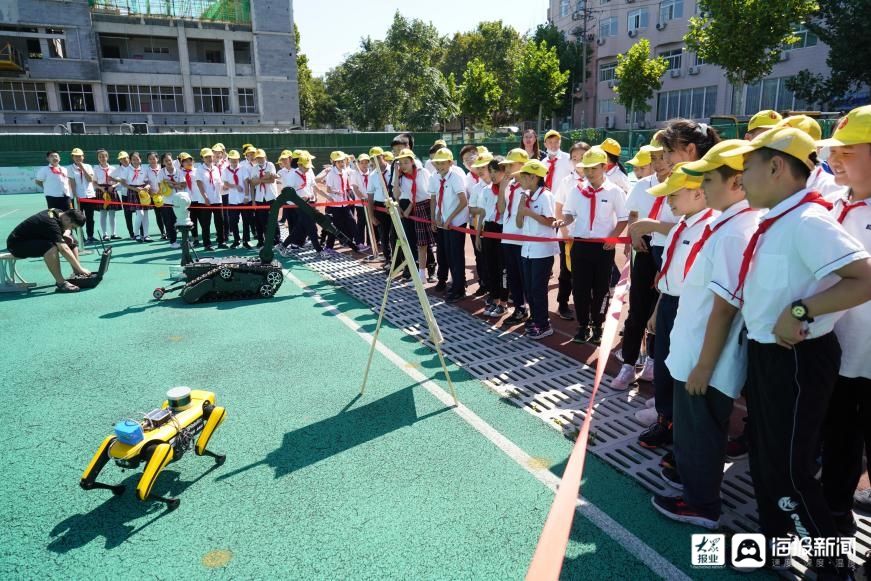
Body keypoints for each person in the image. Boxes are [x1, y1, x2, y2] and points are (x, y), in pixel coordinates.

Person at [720, 127, 871, 577]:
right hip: (770, 355)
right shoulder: (780, 218)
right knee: (767, 461)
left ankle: (831, 568)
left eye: (747, 167)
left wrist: (804, 309)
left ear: (776, 166)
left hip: (797, 359)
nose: (740, 178)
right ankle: (771, 546)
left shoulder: (808, 221)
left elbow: (863, 278)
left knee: (791, 470)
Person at [649, 140, 758, 529]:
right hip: (694, 348)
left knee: (703, 430)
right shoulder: (726, 222)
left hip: (704, 357)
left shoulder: (734, 232)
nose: (703, 187)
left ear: (738, 182)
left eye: (709, 179)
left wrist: (704, 366)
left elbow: (725, 308)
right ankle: (693, 484)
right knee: (695, 429)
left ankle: (701, 504)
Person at [816, 105, 871, 528]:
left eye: (847, 151)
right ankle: (836, 523)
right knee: (837, 444)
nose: (834, 158)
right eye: (833, 149)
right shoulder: (828, 205)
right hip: (835, 351)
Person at [638, 163, 717, 450]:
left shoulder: (710, 229)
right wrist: (659, 309)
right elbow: (669, 277)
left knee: (685, 370)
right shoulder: (680, 227)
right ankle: (665, 420)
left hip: (693, 309)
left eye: (673, 195)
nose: (668, 201)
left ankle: (682, 430)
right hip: (670, 304)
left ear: (697, 193)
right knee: (665, 366)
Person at [613, 141, 670, 393]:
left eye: (662, 157)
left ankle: (653, 361)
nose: (658, 164)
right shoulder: (643, 185)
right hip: (646, 247)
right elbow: (633, 215)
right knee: (637, 306)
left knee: (661, 310)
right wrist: (634, 236)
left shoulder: (682, 188)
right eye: (654, 158)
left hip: (671, 250)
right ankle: (628, 363)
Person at [556, 146, 627, 345]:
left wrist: (612, 238)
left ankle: (598, 325)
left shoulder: (614, 191)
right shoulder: (576, 190)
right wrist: (564, 222)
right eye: (586, 168)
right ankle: (582, 326)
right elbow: (569, 213)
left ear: (604, 167)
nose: (588, 172)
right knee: (580, 288)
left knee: (601, 289)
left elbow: (623, 219)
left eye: (593, 168)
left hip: (603, 248)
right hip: (580, 245)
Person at [515, 159, 559, 339]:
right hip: (527, 249)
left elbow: (550, 221)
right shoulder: (525, 195)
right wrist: (521, 206)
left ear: (533, 177)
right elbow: (519, 223)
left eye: (523, 177)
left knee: (537, 288)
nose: (520, 180)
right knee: (529, 288)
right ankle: (535, 319)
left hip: (542, 250)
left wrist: (529, 212)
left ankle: (544, 324)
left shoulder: (545, 196)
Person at [5, 208, 90, 292]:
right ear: (67, 219)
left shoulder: (59, 213)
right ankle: (61, 283)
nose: (70, 229)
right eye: (72, 226)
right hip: (17, 245)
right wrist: (80, 268)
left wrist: (66, 233)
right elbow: (64, 249)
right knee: (51, 247)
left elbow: (65, 234)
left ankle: (77, 273)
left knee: (71, 240)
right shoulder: (50, 222)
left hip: (32, 240)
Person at [553, 142, 590, 321]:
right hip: (567, 235)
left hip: (588, 236)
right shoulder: (567, 181)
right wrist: (565, 230)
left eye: (582, 157)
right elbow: (558, 207)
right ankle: (562, 304)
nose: (578, 161)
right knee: (566, 271)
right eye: (575, 158)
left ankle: (585, 305)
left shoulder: (597, 180)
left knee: (585, 273)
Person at [428, 147, 468, 299]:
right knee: (445, 253)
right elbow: (434, 198)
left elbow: (463, 201)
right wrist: (434, 217)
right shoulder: (435, 177)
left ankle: (459, 288)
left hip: (456, 222)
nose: (439, 166)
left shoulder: (455, 177)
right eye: (437, 163)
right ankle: (452, 283)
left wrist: (450, 218)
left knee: (456, 255)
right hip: (442, 221)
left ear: (450, 162)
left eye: (443, 162)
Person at [497, 149, 530, 325]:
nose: (507, 168)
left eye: (511, 164)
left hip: (523, 238)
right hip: (507, 236)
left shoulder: (529, 187)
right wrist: (502, 188)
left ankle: (529, 309)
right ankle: (519, 308)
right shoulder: (509, 185)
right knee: (513, 276)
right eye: (506, 165)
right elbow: (501, 210)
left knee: (525, 277)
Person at [475, 156, 510, 317]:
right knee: (491, 267)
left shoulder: (510, 189)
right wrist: (477, 235)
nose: (493, 175)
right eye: (491, 171)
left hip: (503, 229)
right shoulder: (486, 190)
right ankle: (494, 299)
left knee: (503, 268)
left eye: (497, 171)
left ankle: (504, 302)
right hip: (488, 229)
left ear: (505, 172)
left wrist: (503, 189)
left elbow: (503, 211)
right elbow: (482, 214)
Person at [394, 148, 434, 283]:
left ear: (412, 161)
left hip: (430, 206)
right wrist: (395, 174)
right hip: (417, 208)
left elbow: (430, 193)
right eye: (400, 163)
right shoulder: (401, 178)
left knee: (437, 243)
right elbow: (397, 195)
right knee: (421, 243)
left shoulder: (423, 172)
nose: (403, 165)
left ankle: (439, 274)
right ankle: (421, 276)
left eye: (406, 162)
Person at [283, 152, 324, 254]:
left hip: (308, 203)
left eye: (309, 167)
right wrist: (300, 198)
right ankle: (319, 250)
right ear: (299, 165)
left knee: (300, 228)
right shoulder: (292, 175)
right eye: (306, 167)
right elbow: (287, 192)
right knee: (311, 227)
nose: (308, 169)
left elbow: (313, 186)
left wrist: (327, 196)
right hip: (298, 205)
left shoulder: (308, 173)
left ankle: (283, 245)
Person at [367, 147, 393, 265]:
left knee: (396, 236)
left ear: (383, 156)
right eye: (372, 158)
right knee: (384, 235)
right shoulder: (372, 175)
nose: (375, 160)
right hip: (379, 207)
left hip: (393, 205)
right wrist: (371, 215)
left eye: (377, 157)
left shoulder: (393, 170)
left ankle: (400, 261)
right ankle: (388, 260)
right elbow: (370, 196)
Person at [249, 149, 279, 248]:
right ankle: (261, 240)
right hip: (259, 197)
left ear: (265, 157)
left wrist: (259, 180)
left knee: (273, 219)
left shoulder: (270, 165)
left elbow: (272, 180)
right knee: (260, 220)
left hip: (271, 196)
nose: (260, 159)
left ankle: (276, 240)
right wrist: (264, 178)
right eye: (258, 158)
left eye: (261, 157)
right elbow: (252, 183)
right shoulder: (254, 168)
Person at [67, 148, 96, 243]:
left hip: (89, 195)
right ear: (72, 157)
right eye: (76, 156)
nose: (78, 158)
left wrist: (82, 168)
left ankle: (90, 236)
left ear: (83, 157)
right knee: (77, 218)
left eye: (79, 156)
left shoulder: (88, 166)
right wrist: (76, 197)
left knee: (90, 218)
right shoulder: (70, 168)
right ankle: (81, 237)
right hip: (78, 197)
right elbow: (72, 183)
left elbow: (90, 179)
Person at [222, 149, 248, 249]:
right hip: (232, 200)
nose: (234, 161)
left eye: (236, 159)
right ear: (229, 160)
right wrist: (235, 186)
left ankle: (246, 240)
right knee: (233, 221)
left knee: (246, 221)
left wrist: (246, 196)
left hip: (243, 199)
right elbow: (225, 183)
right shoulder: (225, 170)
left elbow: (246, 182)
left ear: (238, 159)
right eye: (232, 160)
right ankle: (236, 240)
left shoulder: (243, 169)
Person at [93, 149, 120, 241]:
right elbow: (94, 183)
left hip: (111, 190)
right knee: (103, 213)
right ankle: (105, 234)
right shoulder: (95, 169)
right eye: (100, 157)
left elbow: (119, 181)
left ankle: (114, 233)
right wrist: (100, 188)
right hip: (101, 191)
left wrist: (113, 186)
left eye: (104, 156)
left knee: (112, 213)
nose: (102, 158)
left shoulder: (113, 168)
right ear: (98, 158)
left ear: (107, 157)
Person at [156, 152, 181, 249]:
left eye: (170, 160)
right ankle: (173, 241)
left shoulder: (178, 171)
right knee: (170, 223)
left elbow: (183, 185)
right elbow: (160, 187)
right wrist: (167, 185)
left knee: (182, 221)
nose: (168, 162)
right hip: (167, 202)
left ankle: (186, 241)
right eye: (166, 161)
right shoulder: (161, 172)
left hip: (179, 200)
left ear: (172, 160)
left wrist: (171, 183)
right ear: (163, 162)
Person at [111, 151, 135, 239]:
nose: (124, 160)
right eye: (121, 159)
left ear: (128, 158)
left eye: (125, 158)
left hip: (136, 194)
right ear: (119, 160)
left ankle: (140, 233)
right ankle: (131, 233)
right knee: (128, 215)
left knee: (140, 214)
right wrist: (119, 181)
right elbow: (110, 177)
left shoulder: (134, 167)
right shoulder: (118, 169)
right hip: (125, 195)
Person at [143, 152, 167, 240]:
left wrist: (162, 192)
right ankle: (163, 233)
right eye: (150, 159)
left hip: (165, 195)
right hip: (154, 196)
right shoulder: (146, 170)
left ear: (157, 159)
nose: (152, 160)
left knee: (167, 214)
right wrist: (150, 192)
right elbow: (145, 182)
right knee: (158, 215)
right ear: (148, 160)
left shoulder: (163, 168)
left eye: (154, 158)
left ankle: (169, 231)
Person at [542, 130, 573, 194]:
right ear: (545, 144)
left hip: (563, 199)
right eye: (550, 142)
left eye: (556, 142)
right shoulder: (543, 163)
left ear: (560, 142)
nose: (553, 145)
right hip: (547, 199)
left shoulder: (568, 159)